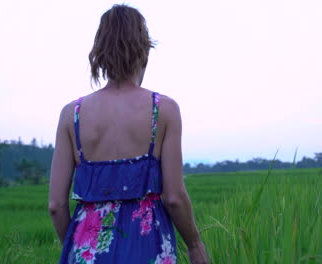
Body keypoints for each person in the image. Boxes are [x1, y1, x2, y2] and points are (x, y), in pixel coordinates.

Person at [48, 4, 208, 264]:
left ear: (100, 52)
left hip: (85, 250)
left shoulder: (71, 114)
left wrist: (80, 248)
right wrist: (194, 244)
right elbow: (175, 197)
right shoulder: (163, 110)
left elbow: (56, 205)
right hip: (149, 248)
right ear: (144, 51)